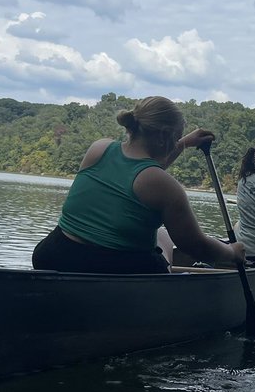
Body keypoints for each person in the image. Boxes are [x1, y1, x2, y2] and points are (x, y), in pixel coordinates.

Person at [32, 96, 244, 273]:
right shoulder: (164, 186)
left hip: (53, 254)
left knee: (161, 234)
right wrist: (232, 252)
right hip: (110, 269)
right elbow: (196, 247)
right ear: (163, 136)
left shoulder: (99, 148)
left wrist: (184, 143)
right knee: (165, 239)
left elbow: (140, 171)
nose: (176, 143)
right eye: (176, 138)